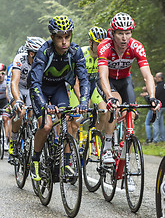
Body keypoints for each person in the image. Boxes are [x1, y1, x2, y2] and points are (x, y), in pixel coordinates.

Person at [29, 16, 90, 181]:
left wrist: (84, 101)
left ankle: (67, 162)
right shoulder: (44, 51)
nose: (64, 41)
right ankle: (35, 161)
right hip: (40, 89)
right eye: (59, 37)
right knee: (47, 125)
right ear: (52, 37)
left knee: (68, 120)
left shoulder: (75, 52)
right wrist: (44, 105)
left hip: (59, 88)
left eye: (67, 36)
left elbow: (83, 79)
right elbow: (34, 82)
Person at [97, 12, 161, 164]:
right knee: (116, 104)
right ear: (113, 33)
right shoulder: (104, 47)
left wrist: (152, 96)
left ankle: (125, 162)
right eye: (120, 33)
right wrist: (109, 96)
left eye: (128, 33)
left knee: (130, 115)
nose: (124, 38)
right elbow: (103, 76)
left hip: (125, 81)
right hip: (110, 82)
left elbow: (147, 75)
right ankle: (106, 146)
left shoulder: (136, 46)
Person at [8, 37, 45, 163]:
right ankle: (13, 140)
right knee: (21, 111)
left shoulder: (42, 61)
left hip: (30, 89)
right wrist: (17, 100)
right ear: (31, 53)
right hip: (18, 88)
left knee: (33, 114)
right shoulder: (20, 59)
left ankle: (30, 141)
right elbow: (14, 81)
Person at [69, 26, 108, 138]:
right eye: (97, 44)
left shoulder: (103, 55)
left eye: (103, 44)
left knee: (104, 111)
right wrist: (83, 99)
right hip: (77, 87)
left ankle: (93, 138)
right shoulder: (82, 53)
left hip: (92, 86)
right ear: (90, 42)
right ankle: (73, 146)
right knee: (76, 122)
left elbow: (103, 78)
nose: (101, 47)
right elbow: (76, 81)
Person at [152, 72, 165, 143]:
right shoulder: (164, 85)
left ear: (160, 78)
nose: (155, 79)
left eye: (156, 77)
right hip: (163, 106)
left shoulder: (159, 86)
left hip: (158, 106)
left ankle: (155, 139)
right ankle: (163, 138)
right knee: (161, 123)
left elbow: (155, 95)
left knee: (155, 123)